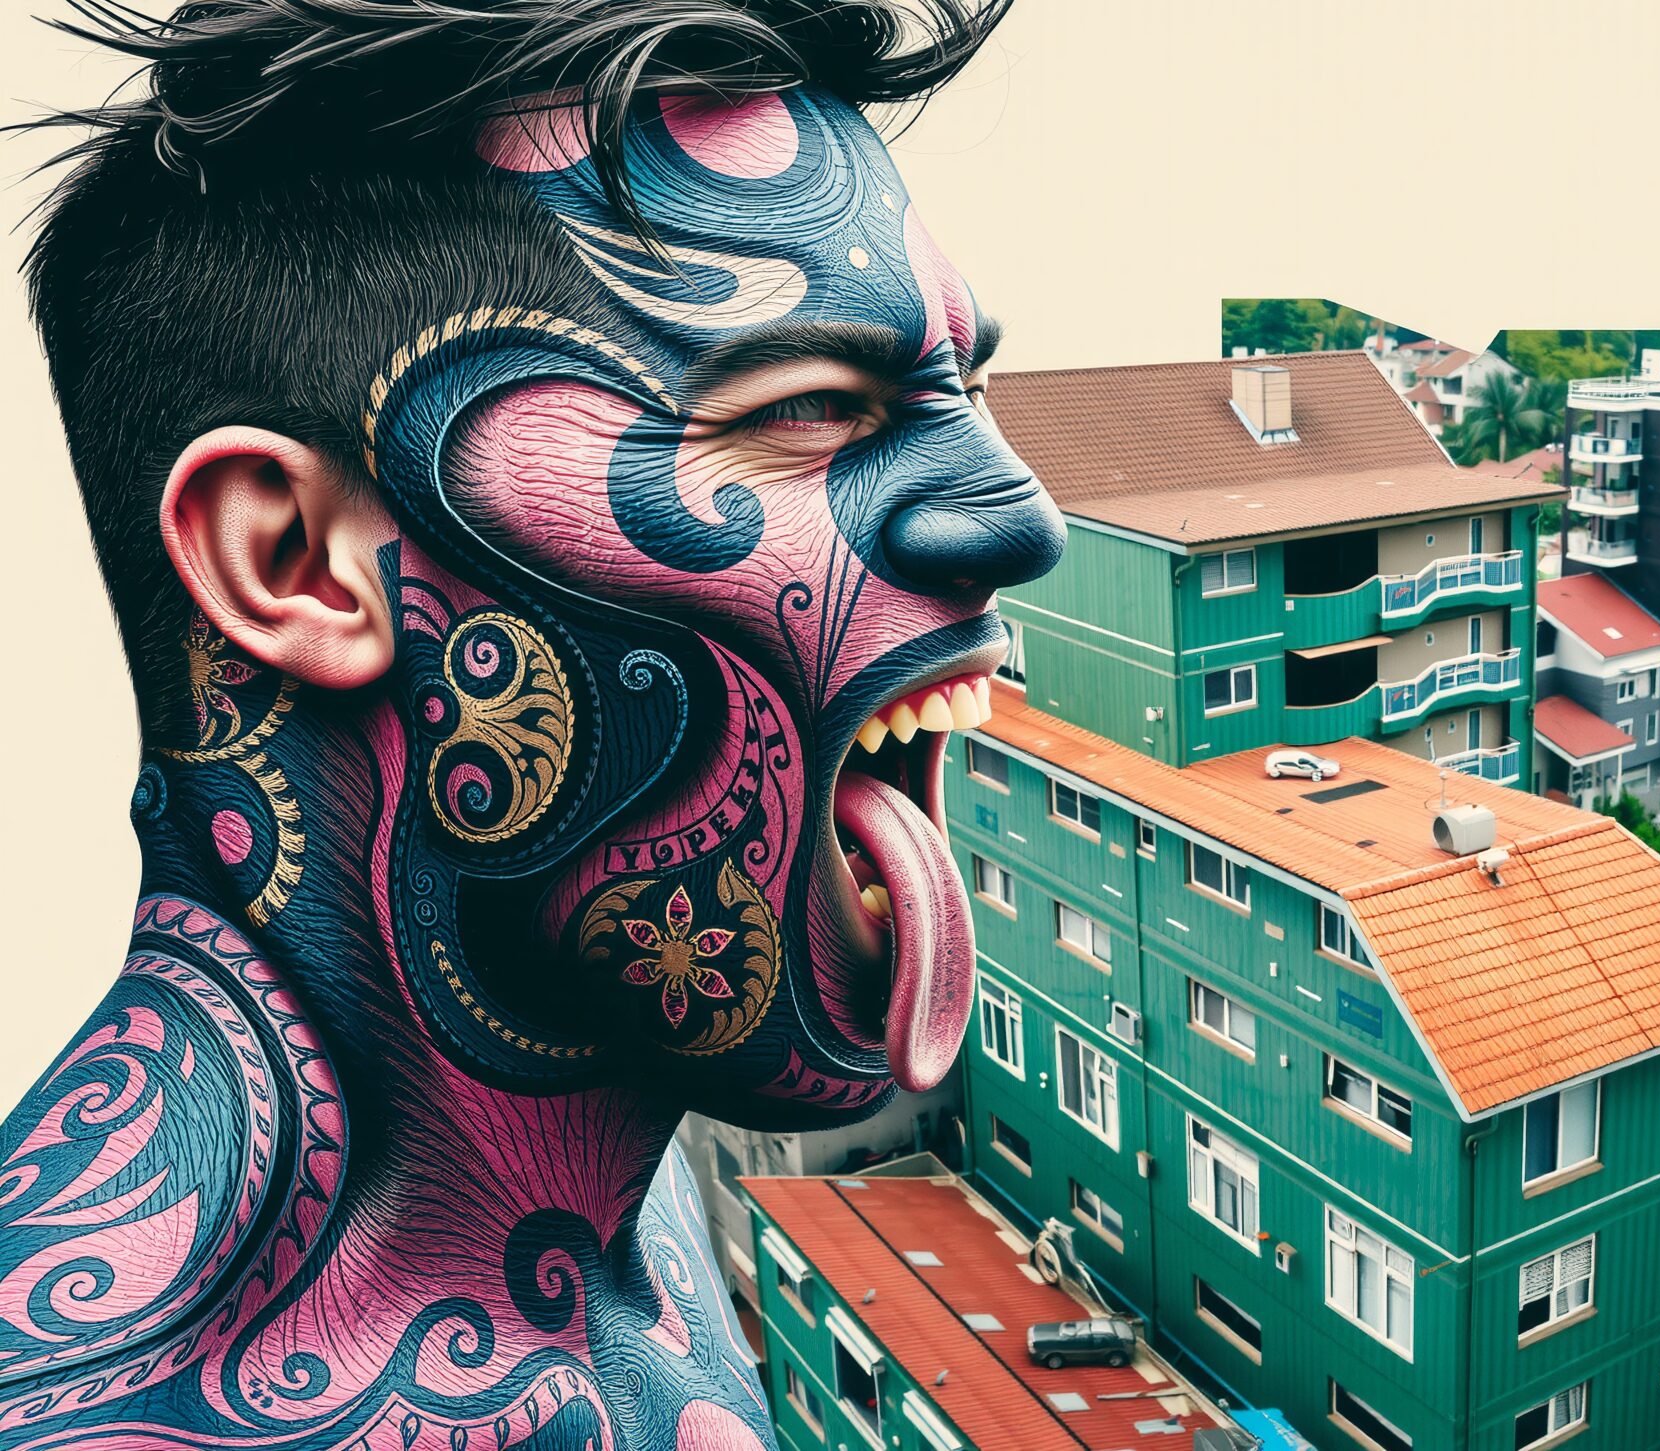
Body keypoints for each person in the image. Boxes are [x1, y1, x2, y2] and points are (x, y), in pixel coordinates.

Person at [1, 2, 1061, 1444]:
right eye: (812, 403)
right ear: (295, 566)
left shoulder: (617, 1147)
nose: (1021, 516)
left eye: (967, 384)